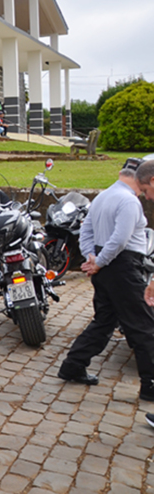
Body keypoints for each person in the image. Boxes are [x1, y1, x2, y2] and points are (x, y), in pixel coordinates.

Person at [58, 161, 154, 401]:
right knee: (143, 326)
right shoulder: (130, 201)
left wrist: (92, 257)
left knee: (104, 320)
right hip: (123, 268)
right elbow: (120, 240)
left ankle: (73, 365)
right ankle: (149, 385)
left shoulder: (103, 197)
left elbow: (86, 229)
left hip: (106, 267)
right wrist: (98, 261)